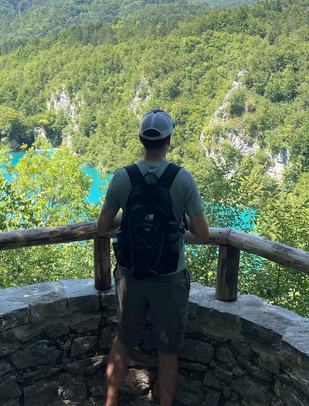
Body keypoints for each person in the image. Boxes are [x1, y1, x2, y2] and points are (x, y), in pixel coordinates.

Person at [97, 109, 210, 406]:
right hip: (170, 277)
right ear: (168, 140)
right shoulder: (182, 178)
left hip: (130, 277)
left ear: (140, 139)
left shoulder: (123, 177)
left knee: (123, 340)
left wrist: (131, 219)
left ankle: (109, 403)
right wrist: (175, 218)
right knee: (168, 349)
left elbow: (102, 227)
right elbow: (203, 233)